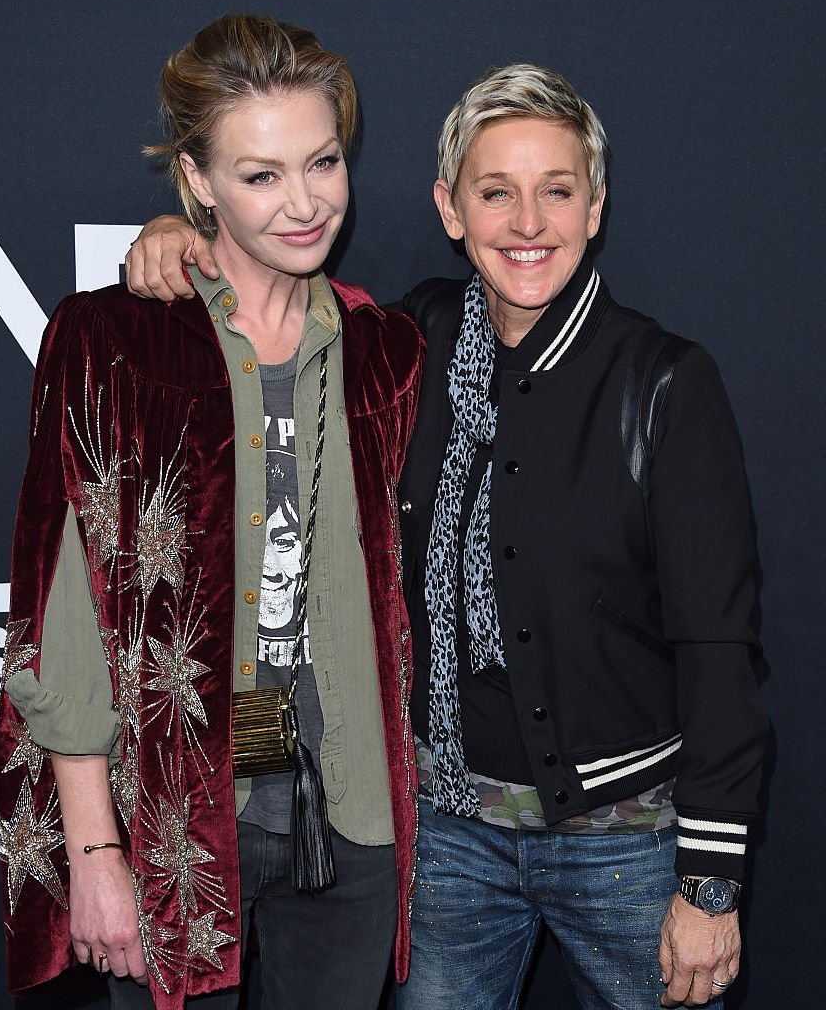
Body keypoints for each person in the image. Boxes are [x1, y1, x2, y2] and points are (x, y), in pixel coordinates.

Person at [126, 64, 768, 1010]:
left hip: (625, 850)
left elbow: (719, 645)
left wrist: (709, 886)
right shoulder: (404, 341)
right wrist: (184, 239)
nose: (527, 222)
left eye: (556, 191)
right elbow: (276, 300)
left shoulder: (663, 382)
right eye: (494, 192)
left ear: (595, 208)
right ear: (448, 208)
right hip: (446, 841)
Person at [0, 14, 422, 1010]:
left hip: (350, 820)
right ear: (198, 180)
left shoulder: (387, 352)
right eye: (261, 174)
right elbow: (62, 622)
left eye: (322, 162)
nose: (304, 202)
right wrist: (95, 849)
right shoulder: (113, 342)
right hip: (173, 826)